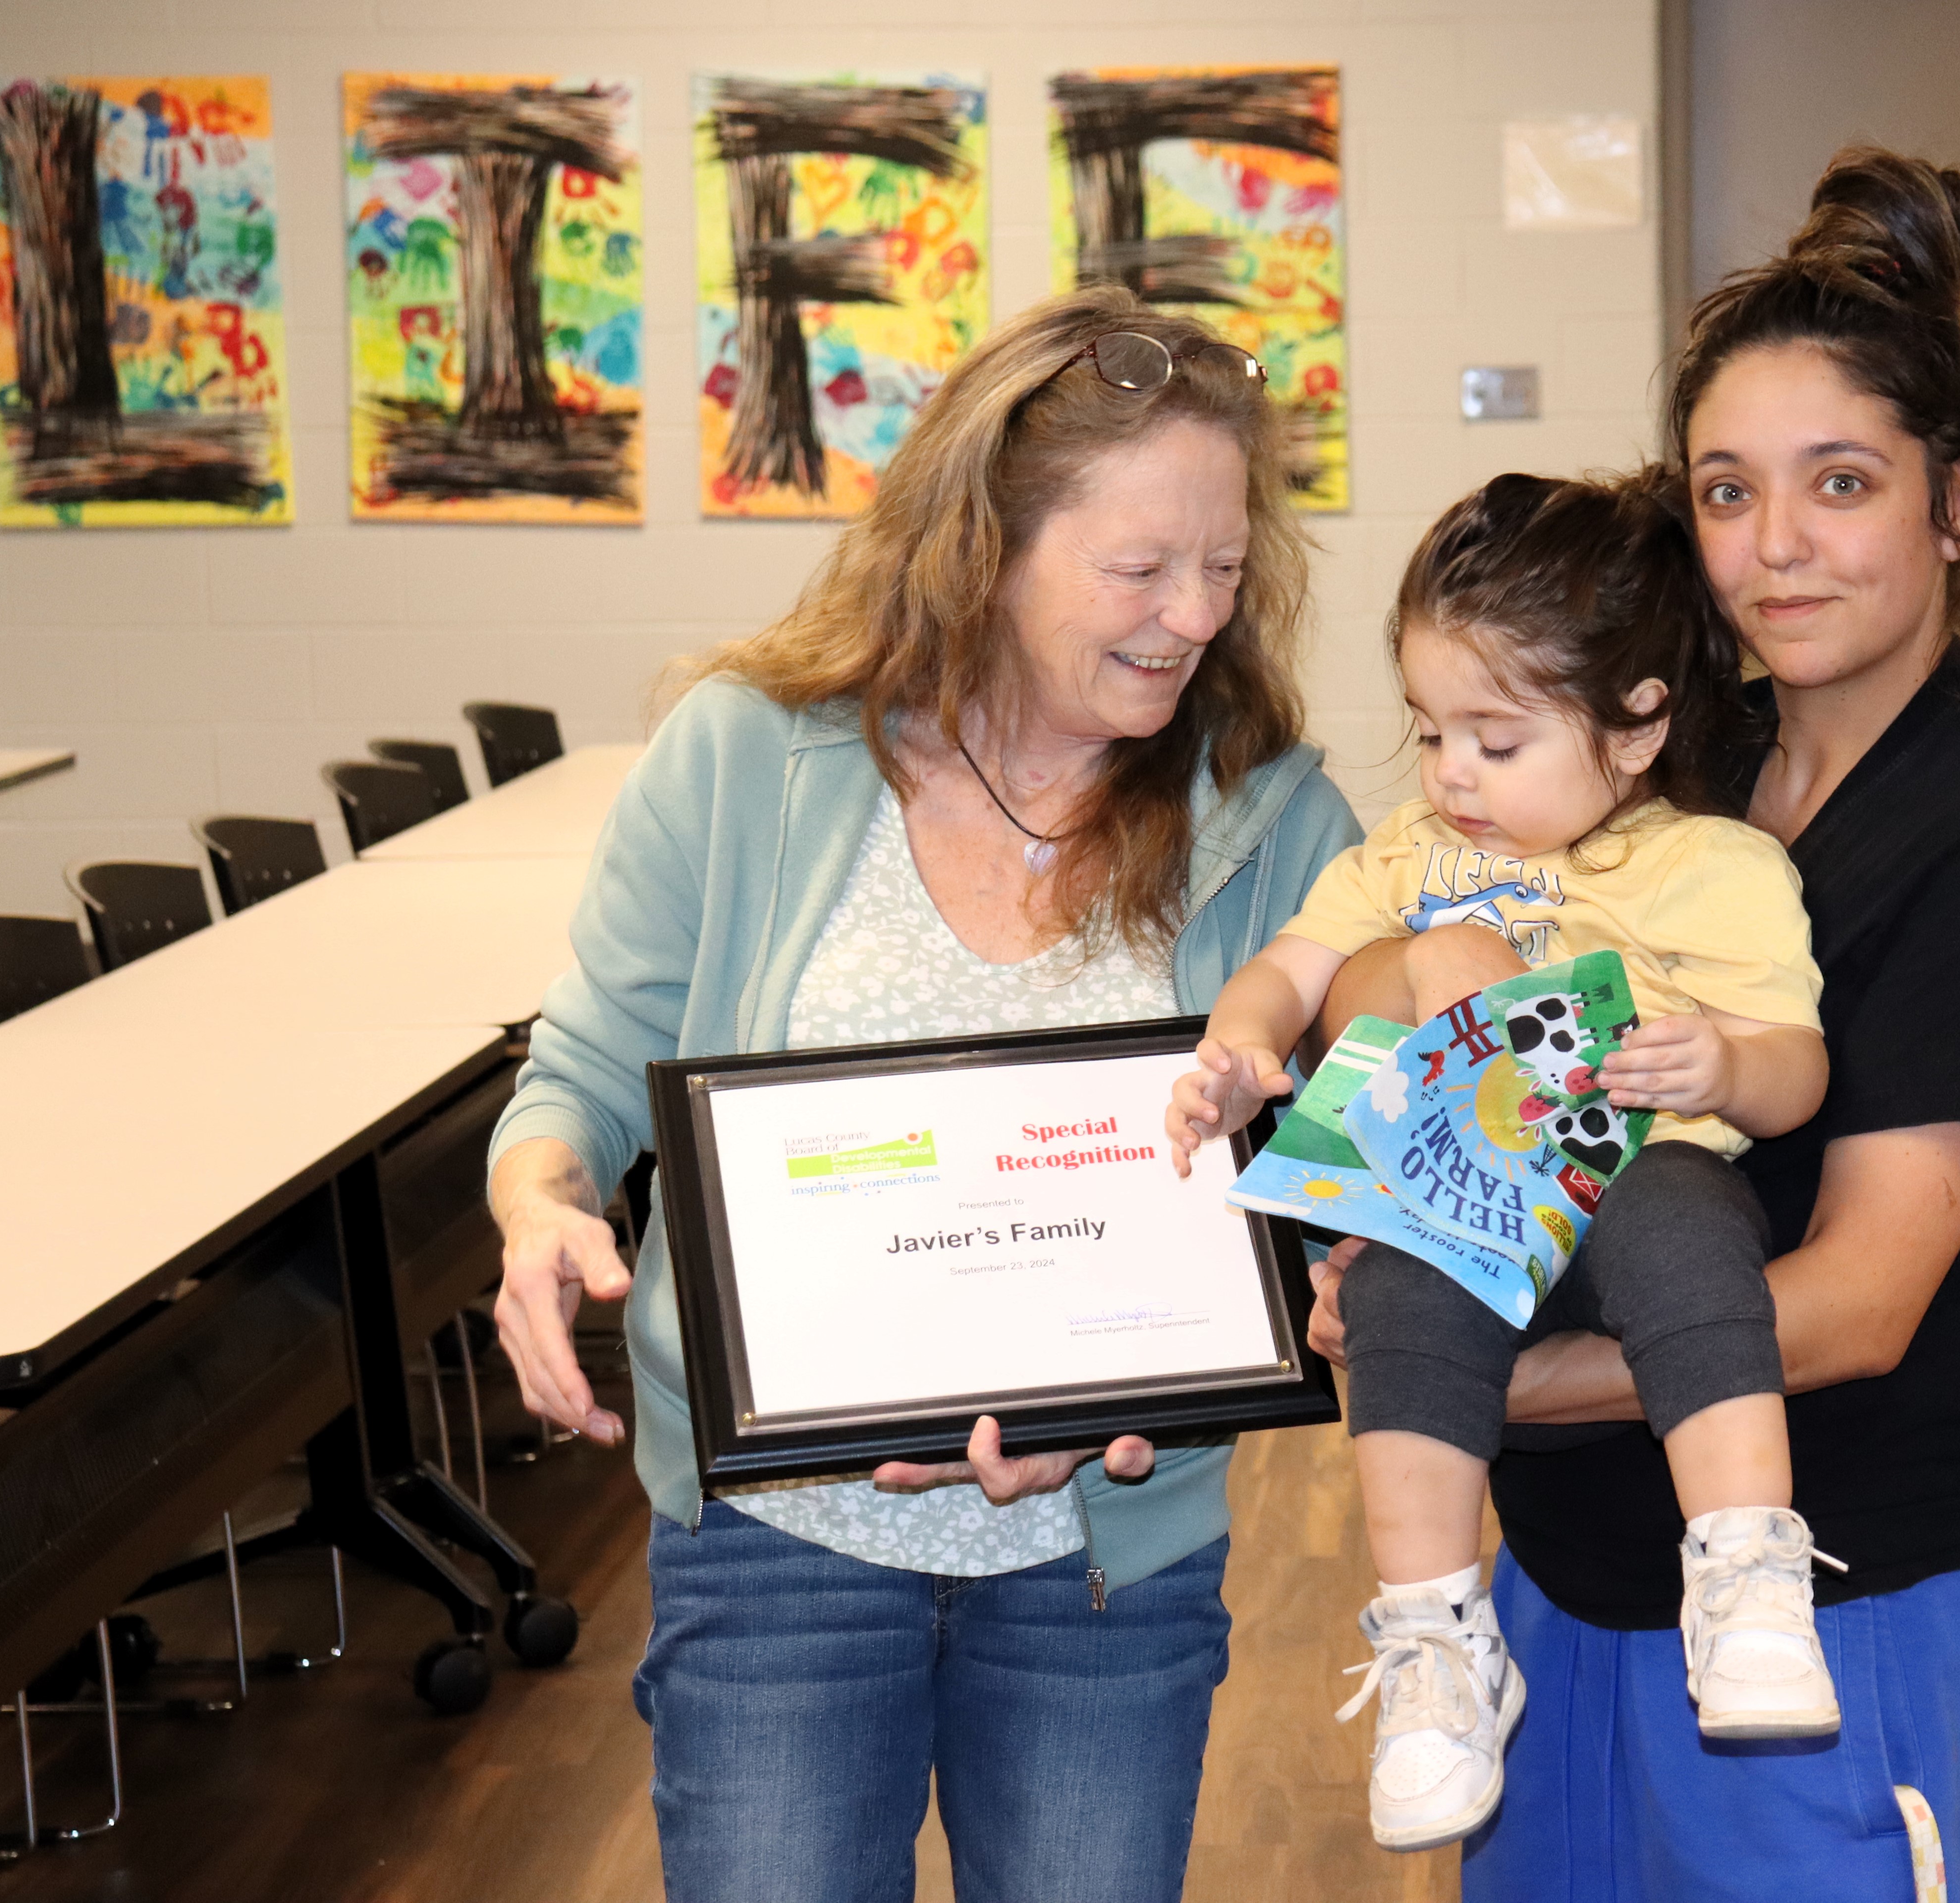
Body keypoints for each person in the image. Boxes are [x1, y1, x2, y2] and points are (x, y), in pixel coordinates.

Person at [1310, 149, 1960, 1901]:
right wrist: (1418, 1269)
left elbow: (1851, 1306)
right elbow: (1402, 949)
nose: (1777, 546)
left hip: (1840, 1611)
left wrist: (1484, 1387)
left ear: (1959, 501)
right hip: (1572, 1586)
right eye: (1726, 490)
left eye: (1841, 483)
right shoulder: (1675, 756)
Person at [485, 286, 1360, 1903]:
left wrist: (1344, 1266)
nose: (1192, 616)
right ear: (985, 544)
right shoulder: (749, 756)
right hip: (777, 1552)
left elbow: (1349, 1148)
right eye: (1139, 568)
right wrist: (540, 1202)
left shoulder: (1273, 818)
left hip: (1108, 1559)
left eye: (1226, 570)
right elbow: (593, 1065)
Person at [1168, 471, 1835, 1854]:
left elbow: (1795, 1067)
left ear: (1639, 725)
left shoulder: (1711, 868)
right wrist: (1236, 1049)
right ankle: (1434, 1646)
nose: (1451, 773)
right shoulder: (1411, 861)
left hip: (1644, 1178)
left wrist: (1718, 1061)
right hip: (1470, 1189)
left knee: (1684, 1240)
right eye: (1429, 733)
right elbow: (1287, 974)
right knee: (1403, 1288)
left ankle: (1749, 1566)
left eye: (1496, 738)